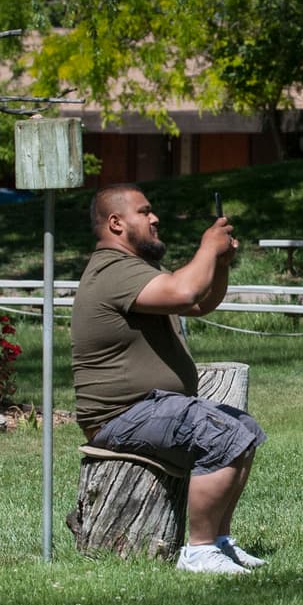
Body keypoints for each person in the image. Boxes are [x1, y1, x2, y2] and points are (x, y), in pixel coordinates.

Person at [70, 184, 267, 575]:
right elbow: (185, 289)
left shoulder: (134, 270)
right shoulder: (112, 271)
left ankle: (220, 543)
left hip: (148, 408)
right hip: (121, 415)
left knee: (243, 428)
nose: (155, 218)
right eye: (144, 212)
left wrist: (221, 264)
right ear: (116, 223)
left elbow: (197, 303)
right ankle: (198, 551)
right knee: (222, 434)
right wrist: (208, 246)